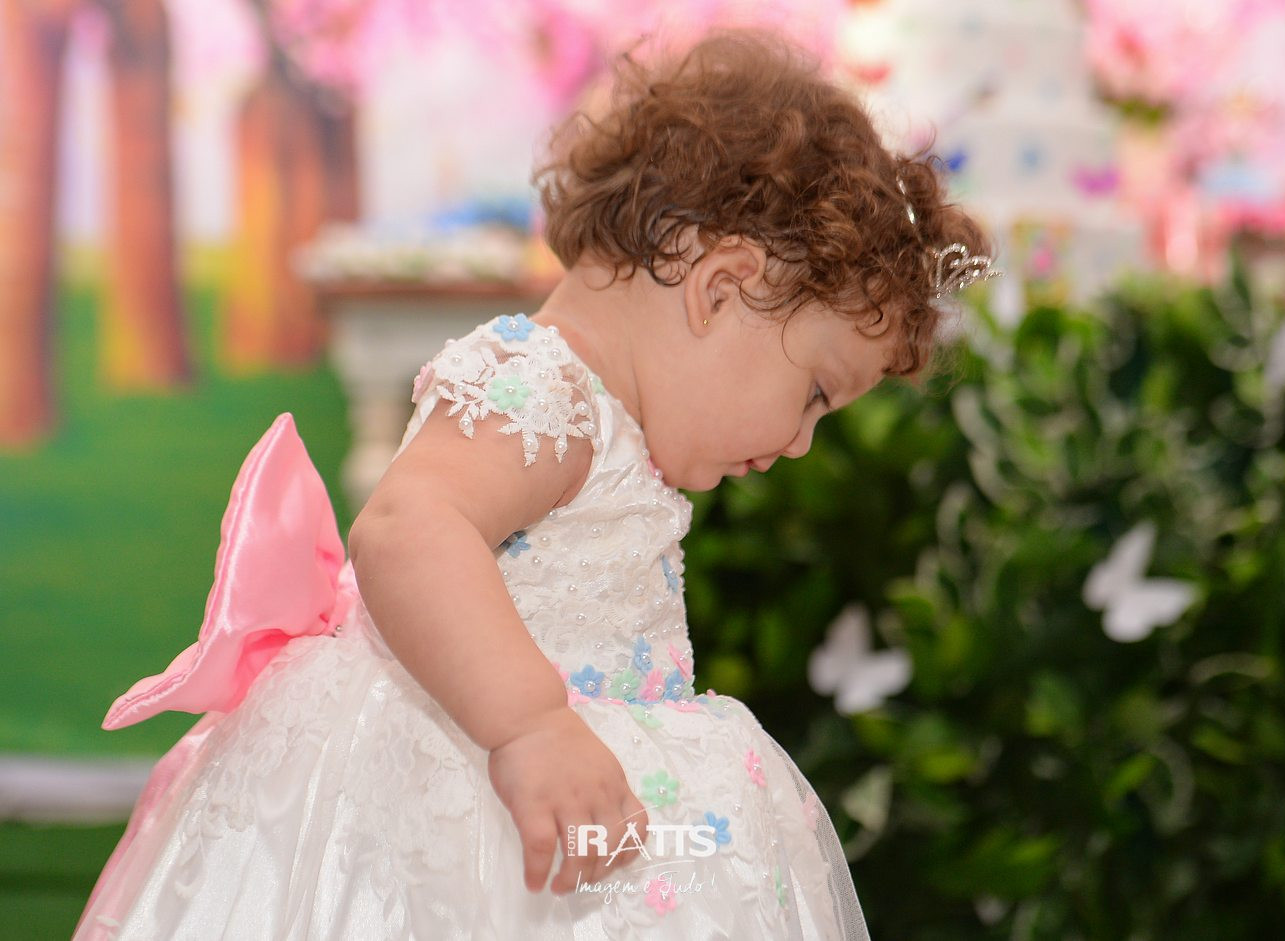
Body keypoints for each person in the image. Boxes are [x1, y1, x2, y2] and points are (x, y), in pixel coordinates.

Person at [74, 28, 994, 940]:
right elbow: (408, 526)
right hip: (461, 802)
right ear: (723, 287)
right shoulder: (545, 389)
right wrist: (530, 724)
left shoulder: (609, 428)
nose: (799, 442)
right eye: (816, 393)